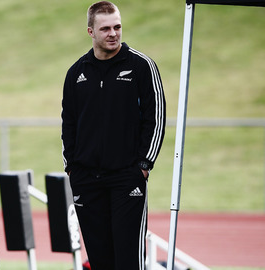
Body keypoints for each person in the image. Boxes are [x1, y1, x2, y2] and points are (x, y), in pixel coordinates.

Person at [61, 1, 166, 269]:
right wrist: (72, 167)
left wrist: (143, 165)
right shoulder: (76, 73)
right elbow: (68, 123)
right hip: (86, 180)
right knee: (100, 260)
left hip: (126, 178)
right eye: (105, 28)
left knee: (128, 260)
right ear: (91, 32)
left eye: (117, 27)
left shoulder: (142, 66)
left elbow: (156, 118)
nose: (113, 33)